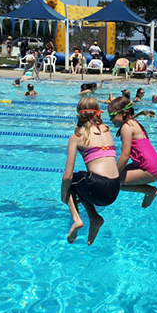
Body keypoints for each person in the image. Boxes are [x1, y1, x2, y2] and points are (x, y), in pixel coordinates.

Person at [61, 97, 120, 245]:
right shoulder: (107, 130)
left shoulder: (77, 137)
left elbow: (68, 175)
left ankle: (76, 219)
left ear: (79, 114)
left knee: (72, 180)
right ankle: (94, 217)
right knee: (84, 180)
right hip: (114, 189)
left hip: (98, 187)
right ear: (98, 112)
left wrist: (64, 195)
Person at [108, 97, 157, 208]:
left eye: (112, 115)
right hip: (154, 164)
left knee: (115, 182)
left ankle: (150, 191)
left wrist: (114, 175)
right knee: (112, 175)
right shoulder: (134, 123)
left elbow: (125, 155)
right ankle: (149, 190)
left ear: (123, 113)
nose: (110, 119)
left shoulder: (126, 127)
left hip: (150, 169)